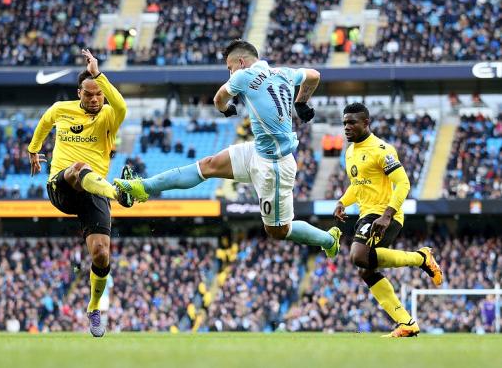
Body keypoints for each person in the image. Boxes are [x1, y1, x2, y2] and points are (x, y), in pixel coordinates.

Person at [115, 39, 341, 257]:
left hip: (275, 166)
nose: (229, 73)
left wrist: (226, 109)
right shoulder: (285, 72)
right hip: (258, 151)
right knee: (208, 165)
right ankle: (142, 187)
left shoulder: (244, 75)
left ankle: (329, 240)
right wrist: (300, 103)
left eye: (229, 67)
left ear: (241, 63)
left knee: (277, 231)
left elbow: (218, 99)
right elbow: (314, 75)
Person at [27, 49, 128, 338]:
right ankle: (117, 192)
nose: (95, 99)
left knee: (101, 254)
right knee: (76, 169)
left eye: (99, 94)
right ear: (79, 93)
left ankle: (94, 307)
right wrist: (34, 151)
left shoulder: (110, 115)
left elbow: (121, 104)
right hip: (62, 185)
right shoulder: (61, 109)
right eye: (89, 94)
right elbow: (43, 124)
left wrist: (99, 74)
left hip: (93, 191)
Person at [333, 102, 443, 338]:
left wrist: (387, 215)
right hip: (367, 214)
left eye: (352, 122)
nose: (347, 127)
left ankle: (420, 258)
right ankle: (407, 323)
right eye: (344, 123)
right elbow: (357, 185)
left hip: (385, 214)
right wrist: (343, 201)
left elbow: (403, 183)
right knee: (366, 270)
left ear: (366, 123)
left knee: (358, 256)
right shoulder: (350, 152)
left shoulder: (383, 149)